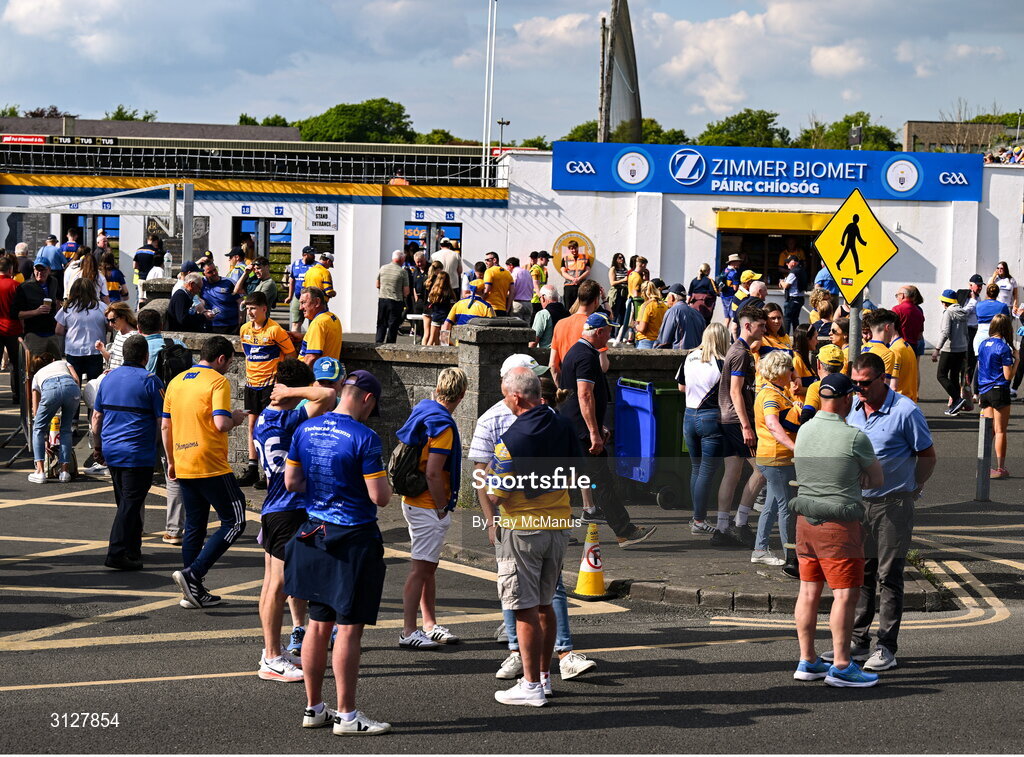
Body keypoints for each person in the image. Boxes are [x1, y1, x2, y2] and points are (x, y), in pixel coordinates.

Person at [283, 370, 393, 735]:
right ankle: (347, 715)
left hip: (315, 532)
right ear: (367, 399)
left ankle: (314, 707)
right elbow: (380, 496)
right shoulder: (366, 437)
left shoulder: (306, 428)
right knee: (348, 628)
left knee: (317, 623)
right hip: (353, 538)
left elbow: (292, 482)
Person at [486, 368, 581, 706]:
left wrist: (485, 479)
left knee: (523, 608)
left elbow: (497, 494)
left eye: (504, 394)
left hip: (523, 529)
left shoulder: (511, 440)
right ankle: (543, 678)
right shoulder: (564, 425)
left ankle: (530, 687)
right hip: (558, 525)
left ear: (515, 397)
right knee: (546, 604)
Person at [844, 352, 936, 672]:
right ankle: (858, 642)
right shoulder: (852, 408)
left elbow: (927, 455)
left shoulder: (905, 411)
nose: (859, 389)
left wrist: (914, 487)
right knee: (863, 574)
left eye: (865, 383)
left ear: (882, 378)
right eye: (855, 383)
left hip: (893, 504)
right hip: (859, 504)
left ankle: (886, 647)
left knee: (889, 575)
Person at [791, 373, 883, 688]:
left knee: (808, 591)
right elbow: (877, 478)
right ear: (846, 399)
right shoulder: (854, 437)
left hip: (804, 523)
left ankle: (808, 660)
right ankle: (842, 665)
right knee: (845, 596)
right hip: (839, 527)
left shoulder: (803, 430)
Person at [252, 358, 337, 683]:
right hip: (287, 509)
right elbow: (326, 396)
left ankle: (272, 652)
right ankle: (272, 657)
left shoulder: (266, 418)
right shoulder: (287, 419)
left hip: (276, 507)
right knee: (278, 585)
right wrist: (292, 390)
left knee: (271, 583)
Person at [164, 336, 249, 609]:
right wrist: (236, 418)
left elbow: (166, 426)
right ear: (221, 359)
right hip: (210, 462)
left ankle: (191, 591)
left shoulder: (176, 381)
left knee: (194, 527)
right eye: (230, 361)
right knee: (235, 521)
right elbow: (222, 423)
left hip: (183, 458)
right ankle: (193, 574)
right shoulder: (217, 381)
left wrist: (171, 461)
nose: (229, 367)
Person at [559, 312, 655, 547]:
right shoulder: (586, 356)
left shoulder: (579, 352)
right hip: (582, 431)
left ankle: (555, 528)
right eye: (609, 330)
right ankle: (624, 531)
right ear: (599, 332)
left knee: (572, 478)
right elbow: (584, 394)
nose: (611, 335)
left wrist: (597, 425)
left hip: (576, 427)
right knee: (601, 481)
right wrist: (593, 431)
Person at [397, 367, 467, 649]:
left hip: (412, 502)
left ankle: (429, 624)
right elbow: (434, 473)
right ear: (462, 395)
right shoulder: (443, 427)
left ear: (438, 389)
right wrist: (442, 506)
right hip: (428, 505)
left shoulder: (424, 411)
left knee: (428, 567)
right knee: (420, 569)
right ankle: (408, 631)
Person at [93, 335, 164, 571]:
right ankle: (116, 552)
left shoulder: (108, 379)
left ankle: (132, 550)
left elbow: (96, 417)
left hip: (112, 450)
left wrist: (97, 446)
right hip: (137, 452)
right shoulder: (151, 380)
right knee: (131, 504)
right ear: (146, 357)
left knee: (126, 502)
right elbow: (161, 420)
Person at [714, 303, 767, 548]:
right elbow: (736, 391)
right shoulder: (742, 354)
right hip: (737, 420)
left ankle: (722, 528)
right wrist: (747, 426)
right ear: (748, 326)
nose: (764, 329)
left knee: (732, 474)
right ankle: (741, 522)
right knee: (763, 470)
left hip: (726, 419)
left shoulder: (735, 350)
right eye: (761, 325)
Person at [237, 291, 298, 487]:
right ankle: (252, 469)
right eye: (247, 308)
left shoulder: (275, 330)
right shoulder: (244, 329)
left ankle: (268, 469)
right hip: (251, 384)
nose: (250, 312)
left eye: (253, 308)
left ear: (264, 309)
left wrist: (281, 379)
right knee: (252, 426)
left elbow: (291, 354)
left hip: (269, 386)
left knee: (270, 427)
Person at [752, 350, 801, 567]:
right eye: (790, 368)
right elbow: (772, 423)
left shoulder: (774, 391)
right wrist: (794, 447)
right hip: (777, 458)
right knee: (786, 508)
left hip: (771, 457)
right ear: (781, 371)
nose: (792, 371)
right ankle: (791, 557)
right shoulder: (771, 395)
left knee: (771, 506)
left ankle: (760, 549)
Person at [677, 322, 728, 535]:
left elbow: (681, 386)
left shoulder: (689, 357)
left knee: (696, 469)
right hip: (711, 417)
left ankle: (696, 517)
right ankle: (699, 520)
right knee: (707, 471)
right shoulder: (723, 363)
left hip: (689, 416)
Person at [28, 352, 80, 483]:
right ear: (52, 360)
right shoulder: (63, 362)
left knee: (38, 429)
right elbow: (76, 379)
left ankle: (40, 472)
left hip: (50, 389)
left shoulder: (37, 376)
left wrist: (44, 438)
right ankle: (64, 472)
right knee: (66, 429)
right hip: (71, 388)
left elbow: (35, 408)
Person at [977, 314, 1017, 479]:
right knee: (1000, 431)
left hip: (984, 391)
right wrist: (1018, 361)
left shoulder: (983, 344)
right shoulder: (1003, 347)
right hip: (999, 390)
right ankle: (1000, 468)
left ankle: (984, 466)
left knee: (989, 431)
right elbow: (1008, 376)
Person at [548, 280, 602, 383]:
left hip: (567, 381)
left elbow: (553, 365)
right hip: (589, 381)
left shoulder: (560, 324)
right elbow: (603, 365)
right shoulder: (594, 325)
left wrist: (560, 387)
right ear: (596, 301)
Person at [55, 278, 107, 382]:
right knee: (94, 385)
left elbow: (58, 330)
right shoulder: (101, 306)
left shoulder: (67, 307)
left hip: (73, 350)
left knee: (74, 383)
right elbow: (110, 326)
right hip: (96, 350)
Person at [932, 289, 969, 415]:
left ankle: (957, 399)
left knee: (941, 375)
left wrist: (937, 349)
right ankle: (955, 406)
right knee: (954, 377)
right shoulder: (963, 312)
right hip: (962, 348)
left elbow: (945, 332)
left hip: (950, 349)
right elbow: (966, 332)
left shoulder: (948, 312)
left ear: (944, 302)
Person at [14, 259, 60, 354]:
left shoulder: (54, 282)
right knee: (34, 366)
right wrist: (36, 312)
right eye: (37, 270)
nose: (40, 273)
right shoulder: (25, 287)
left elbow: (57, 301)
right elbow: (16, 314)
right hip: (34, 335)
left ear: (49, 270)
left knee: (56, 365)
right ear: (33, 270)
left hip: (52, 333)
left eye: (43, 270)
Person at [441, 279, 495, 344]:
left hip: (459, 345)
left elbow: (446, 326)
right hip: (478, 346)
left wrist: (444, 345)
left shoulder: (458, 304)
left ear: (470, 290)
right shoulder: (486, 307)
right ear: (483, 291)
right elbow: (493, 329)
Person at [297, 286, 342, 364]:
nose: (300, 308)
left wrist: (300, 375)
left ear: (317, 302)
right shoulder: (332, 317)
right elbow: (325, 340)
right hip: (328, 370)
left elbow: (312, 357)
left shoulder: (318, 323)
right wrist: (303, 337)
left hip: (314, 373)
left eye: (303, 302)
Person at [0, 256, 23, 404]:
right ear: (10, 269)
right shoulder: (16, 285)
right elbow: (20, 309)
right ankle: (16, 395)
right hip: (13, 329)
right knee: (15, 364)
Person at [860, 309, 901, 389]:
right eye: (893, 327)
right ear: (887, 327)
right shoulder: (887, 354)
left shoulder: (862, 348)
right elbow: (884, 386)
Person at [375, 250, 410, 344]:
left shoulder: (383, 268)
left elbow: (377, 285)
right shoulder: (402, 272)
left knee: (381, 323)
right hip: (396, 301)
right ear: (402, 259)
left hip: (382, 299)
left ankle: (378, 342)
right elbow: (406, 291)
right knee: (393, 325)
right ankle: (390, 346)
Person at [199, 262, 241, 335]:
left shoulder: (228, 282)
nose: (214, 273)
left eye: (215, 270)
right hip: (211, 326)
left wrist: (241, 323)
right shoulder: (201, 283)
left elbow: (240, 302)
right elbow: (188, 276)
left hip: (231, 326)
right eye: (210, 272)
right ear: (204, 274)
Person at [96, 302, 138, 371]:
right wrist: (102, 349)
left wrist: (114, 372)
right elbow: (111, 359)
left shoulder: (133, 337)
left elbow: (131, 366)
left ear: (123, 317)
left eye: (113, 320)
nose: (110, 324)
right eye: (108, 320)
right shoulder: (119, 334)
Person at [422, 265, 454, 347]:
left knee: (432, 338)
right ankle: (444, 356)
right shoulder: (449, 292)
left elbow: (429, 302)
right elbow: (452, 306)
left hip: (436, 316)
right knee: (444, 340)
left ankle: (427, 354)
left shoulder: (433, 292)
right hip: (446, 319)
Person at [286, 246, 317, 331]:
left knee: (313, 323)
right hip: (298, 297)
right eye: (311, 254)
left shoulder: (316, 265)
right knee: (296, 322)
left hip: (311, 298)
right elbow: (292, 279)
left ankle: (310, 342)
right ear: (304, 254)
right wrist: (289, 296)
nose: (314, 256)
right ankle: (295, 342)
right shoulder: (295, 264)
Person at [530, 285, 568, 349]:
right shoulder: (567, 313)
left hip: (547, 354)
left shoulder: (543, 314)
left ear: (543, 298)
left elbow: (533, 342)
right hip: (564, 354)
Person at [964, 274, 984, 391]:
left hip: (975, 331)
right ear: (970, 285)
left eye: (981, 286)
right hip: (967, 332)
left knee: (972, 362)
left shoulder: (978, 297)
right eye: (978, 286)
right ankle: (963, 389)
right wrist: (972, 301)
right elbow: (962, 313)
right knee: (967, 362)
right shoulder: (966, 297)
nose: (980, 288)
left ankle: (968, 388)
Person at [634, 281, 668, 349]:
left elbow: (642, 328)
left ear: (643, 292)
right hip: (659, 341)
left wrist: (635, 325)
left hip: (645, 341)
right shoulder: (664, 305)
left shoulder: (646, 305)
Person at [559, 240, 591, 312]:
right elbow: (563, 272)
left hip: (581, 286)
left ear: (578, 247)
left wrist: (579, 279)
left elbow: (588, 271)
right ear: (569, 249)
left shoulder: (585, 257)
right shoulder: (565, 258)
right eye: (571, 248)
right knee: (568, 309)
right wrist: (573, 279)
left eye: (575, 248)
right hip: (569, 286)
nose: (574, 250)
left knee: (581, 308)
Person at [481, 250, 513, 317]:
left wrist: (480, 300)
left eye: (487, 260)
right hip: (502, 309)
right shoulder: (508, 273)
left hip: (489, 308)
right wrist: (507, 309)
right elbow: (512, 293)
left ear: (494, 260)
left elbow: (486, 290)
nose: (486, 262)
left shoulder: (489, 271)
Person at [780, 255, 806, 334]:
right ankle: (797, 338)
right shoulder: (801, 270)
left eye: (788, 262)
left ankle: (786, 338)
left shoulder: (794, 272)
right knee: (795, 319)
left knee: (787, 320)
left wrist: (781, 282)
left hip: (793, 299)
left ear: (794, 263)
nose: (786, 264)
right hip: (800, 298)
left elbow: (786, 285)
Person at [507, 256, 534, 321]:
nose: (507, 269)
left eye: (507, 266)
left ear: (511, 265)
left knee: (517, 328)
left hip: (518, 303)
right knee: (527, 328)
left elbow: (512, 290)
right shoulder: (527, 272)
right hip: (528, 304)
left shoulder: (514, 274)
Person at [717, 253, 743, 322]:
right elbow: (735, 288)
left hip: (724, 295)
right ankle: (733, 332)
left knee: (726, 318)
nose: (739, 263)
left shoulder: (725, 270)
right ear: (733, 262)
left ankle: (724, 332)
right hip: (731, 297)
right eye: (738, 261)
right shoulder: (734, 273)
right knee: (733, 318)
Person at [608, 252, 629, 326]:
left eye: (622, 257)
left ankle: (619, 333)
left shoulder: (625, 269)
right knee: (615, 313)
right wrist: (623, 280)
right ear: (615, 259)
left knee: (622, 314)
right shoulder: (613, 269)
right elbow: (612, 283)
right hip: (617, 292)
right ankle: (612, 334)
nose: (622, 259)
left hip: (624, 292)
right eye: (619, 258)